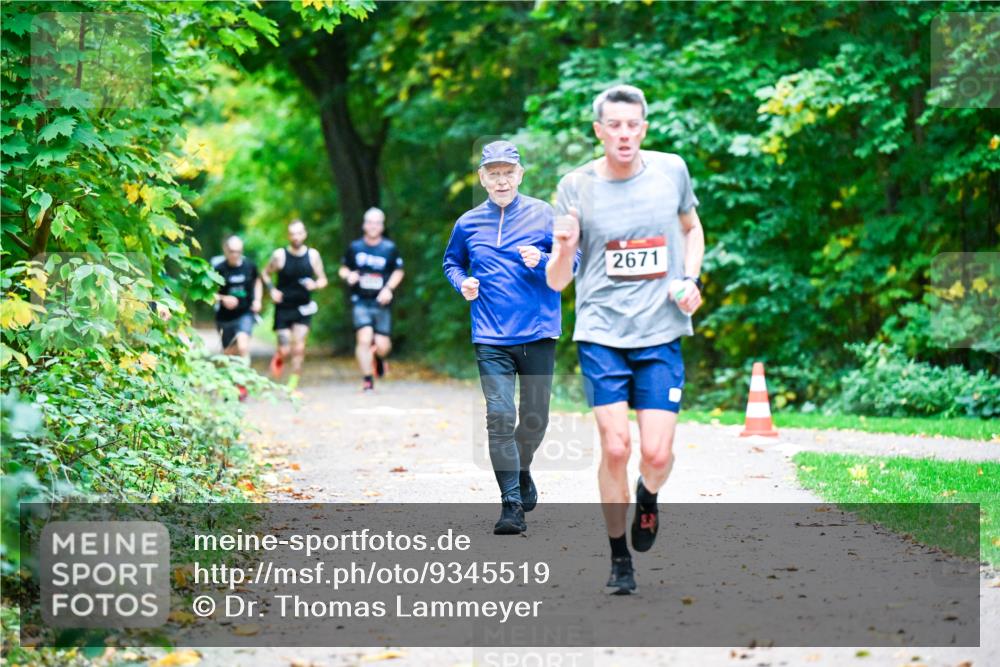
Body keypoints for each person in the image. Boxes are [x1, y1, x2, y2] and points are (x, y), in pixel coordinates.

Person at [546, 85, 705, 594]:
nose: (624, 134)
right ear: (599, 130)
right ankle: (620, 559)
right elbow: (556, 281)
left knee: (656, 456)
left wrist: (692, 279)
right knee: (615, 447)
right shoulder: (575, 186)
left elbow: (691, 229)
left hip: (660, 332)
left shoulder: (672, 171)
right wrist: (564, 247)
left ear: (644, 127)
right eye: (613, 125)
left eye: (632, 125)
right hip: (601, 333)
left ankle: (648, 497)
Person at [443, 140, 567, 535]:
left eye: (507, 173)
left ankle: (522, 466)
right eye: (493, 174)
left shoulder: (544, 214)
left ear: (520, 175)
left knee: (535, 419)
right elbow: (452, 261)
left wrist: (544, 259)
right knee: (499, 416)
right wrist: (463, 282)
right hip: (490, 335)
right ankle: (510, 505)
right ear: (482, 178)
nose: (501, 180)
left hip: (538, 331)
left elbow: (572, 261)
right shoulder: (468, 223)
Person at [338, 207, 405, 392]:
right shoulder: (355, 247)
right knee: (364, 338)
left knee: (383, 346)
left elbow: (398, 271)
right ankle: (367, 380)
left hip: (381, 302)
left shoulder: (389, 248)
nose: (373, 226)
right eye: (370, 222)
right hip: (360, 300)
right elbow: (343, 268)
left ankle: (379, 358)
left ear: (382, 226)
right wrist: (348, 275)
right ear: (364, 225)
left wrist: (388, 289)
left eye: (377, 223)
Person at [262, 220, 328, 389]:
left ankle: (293, 384)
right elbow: (265, 273)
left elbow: (323, 280)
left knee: (299, 347)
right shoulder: (279, 255)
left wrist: (315, 285)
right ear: (288, 236)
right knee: (285, 349)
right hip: (283, 307)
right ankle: (279, 356)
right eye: (292, 234)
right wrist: (272, 290)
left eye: (299, 233)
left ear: (305, 234)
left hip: (303, 308)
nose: (296, 237)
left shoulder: (313, 255)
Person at [211, 235, 262, 362]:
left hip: (245, 313)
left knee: (243, 346)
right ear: (226, 251)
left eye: (238, 251)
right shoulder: (218, 269)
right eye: (232, 251)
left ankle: (244, 379)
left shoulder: (250, 266)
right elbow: (210, 294)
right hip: (225, 317)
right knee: (228, 353)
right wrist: (223, 298)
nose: (235, 255)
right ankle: (233, 377)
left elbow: (258, 282)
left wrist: (257, 300)